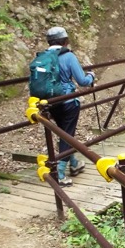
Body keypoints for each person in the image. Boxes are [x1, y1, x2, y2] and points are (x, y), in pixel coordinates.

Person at [44, 26, 95, 187]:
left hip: (50, 103)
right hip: (67, 102)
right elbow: (82, 81)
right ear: (65, 41)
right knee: (68, 134)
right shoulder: (68, 56)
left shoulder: (44, 57)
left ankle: (74, 163)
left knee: (64, 133)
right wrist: (91, 75)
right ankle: (59, 173)